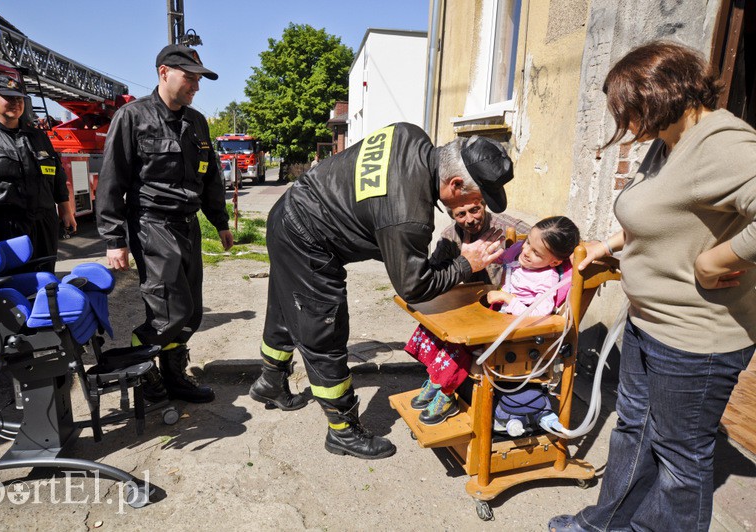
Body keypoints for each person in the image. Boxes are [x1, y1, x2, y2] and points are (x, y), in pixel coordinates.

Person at [548, 41, 756, 532]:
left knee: (681, 459)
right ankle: (609, 524)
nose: (625, 124)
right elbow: (660, 210)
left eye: (626, 110)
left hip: (695, 339)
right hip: (648, 325)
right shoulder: (670, 141)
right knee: (633, 430)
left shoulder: (724, 143)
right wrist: (613, 242)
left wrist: (713, 262)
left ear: (658, 94)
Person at [249, 124, 514, 459]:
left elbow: (376, 208)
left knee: (285, 308)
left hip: (289, 213)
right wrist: (466, 263)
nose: (475, 207)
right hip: (306, 238)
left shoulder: (411, 136)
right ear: (455, 184)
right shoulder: (408, 215)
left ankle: (270, 382)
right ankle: (342, 430)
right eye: (475, 198)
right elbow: (413, 287)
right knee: (323, 328)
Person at [95, 44, 234, 404]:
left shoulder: (197, 122)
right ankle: (145, 375)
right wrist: (114, 238)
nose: (196, 87)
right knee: (168, 310)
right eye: (190, 78)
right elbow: (112, 180)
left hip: (187, 226)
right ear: (164, 73)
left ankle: (174, 376)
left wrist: (220, 222)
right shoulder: (132, 117)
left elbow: (211, 179)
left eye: (198, 80)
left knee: (191, 312)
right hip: (151, 225)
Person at [406, 216, 579, 425]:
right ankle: (436, 379)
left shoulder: (547, 279)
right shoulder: (521, 255)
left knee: (460, 346)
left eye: (536, 252)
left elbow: (542, 312)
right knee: (436, 328)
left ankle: (447, 391)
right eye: (527, 244)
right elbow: (502, 257)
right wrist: (484, 253)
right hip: (497, 320)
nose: (526, 251)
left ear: (555, 262)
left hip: (515, 335)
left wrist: (509, 299)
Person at [0, 74, 77, 267]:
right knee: (14, 284)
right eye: (8, 97)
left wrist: (65, 209)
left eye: (19, 98)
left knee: (46, 281)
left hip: (44, 222)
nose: (15, 103)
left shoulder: (38, 136)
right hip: (6, 226)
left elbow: (56, 175)